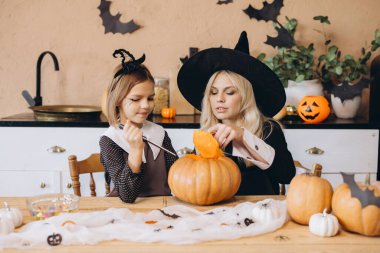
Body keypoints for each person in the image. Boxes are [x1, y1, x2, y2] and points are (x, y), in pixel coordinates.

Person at [177, 32, 296, 195]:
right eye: (213, 92)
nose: (219, 99)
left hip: (260, 211)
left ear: (245, 97)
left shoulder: (268, 129)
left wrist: (244, 137)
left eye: (230, 92)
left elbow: (287, 175)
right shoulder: (209, 133)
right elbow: (194, 178)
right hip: (220, 212)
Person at [100, 49, 178, 203]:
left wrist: (201, 150)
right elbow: (127, 196)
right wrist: (136, 150)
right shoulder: (110, 140)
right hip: (127, 214)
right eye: (136, 99)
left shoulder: (159, 133)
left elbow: (178, 172)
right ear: (117, 100)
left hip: (162, 209)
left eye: (150, 98)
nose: (145, 105)